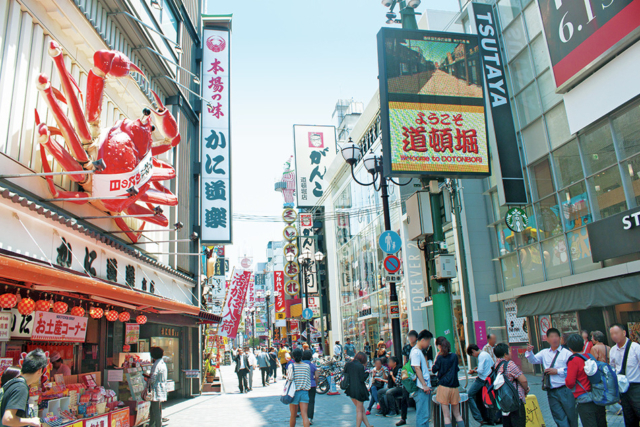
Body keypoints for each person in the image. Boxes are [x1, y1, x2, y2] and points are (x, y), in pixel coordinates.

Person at [525, 328, 577, 427]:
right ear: (547, 339)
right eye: (551, 337)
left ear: (560, 338)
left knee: (571, 415)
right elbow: (533, 360)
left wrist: (557, 371)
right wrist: (529, 352)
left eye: (556, 336)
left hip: (565, 389)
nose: (554, 339)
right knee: (558, 416)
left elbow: (572, 370)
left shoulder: (567, 353)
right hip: (551, 390)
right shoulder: (544, 353)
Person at [565, 333, 607, 427]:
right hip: (597, 396)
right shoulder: (589, 356)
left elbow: (570, 383)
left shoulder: (573, 360)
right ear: (583, 345)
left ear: (570, 348)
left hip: (584, 400)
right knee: (601, 423)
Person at [1, 349, 47, 427]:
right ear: (39, 370)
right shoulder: (21, 387)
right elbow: (7, 419)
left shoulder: (13, 382)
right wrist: (31, 421)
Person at [609, 323, 640, 426]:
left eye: (616, 333)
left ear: (624, 332)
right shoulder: (612, 350)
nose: (614, 336)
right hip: (622, 389)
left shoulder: (635, 347)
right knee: (629, 417)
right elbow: (612, 369)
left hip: (636, 387)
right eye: (612, 334)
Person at [494, 343, 529, 427]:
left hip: (505, 401)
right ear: (505, 354)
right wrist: (526, 389)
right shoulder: (509, 364)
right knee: (518, 423)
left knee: (507, 423)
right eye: (509, 351)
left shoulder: (496, 365)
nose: (511, 352)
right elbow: (523, 380)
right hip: (516, 400)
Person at [405, 329, 433, 427]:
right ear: (423, 340)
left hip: (423, 387)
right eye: (428, 342)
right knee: (423, 416)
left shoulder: (418, 351)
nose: (428, 344)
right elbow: (417, 368)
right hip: (421, 388)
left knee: (424, 416)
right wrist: (424, 385)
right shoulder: (416, 352)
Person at [432, 337, 462, 427]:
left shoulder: (440, 358)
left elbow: (434, 370)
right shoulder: (454, 356)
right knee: (457, 414)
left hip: (443, 386)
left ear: (439, 346)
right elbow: (456, 369)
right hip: (454, 387)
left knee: (446, 416)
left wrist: (436, 358)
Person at [466, 344, 494, 425]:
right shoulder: (486, 354)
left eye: (472, 355)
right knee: (480, 398)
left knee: (470, 395)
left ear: (473, 351)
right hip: (488, 379)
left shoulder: (481, 356)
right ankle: (485, 417)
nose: (473, 356)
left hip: (482, 379)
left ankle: (478, 418)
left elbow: (481, 370)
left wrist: (474, 371)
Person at [343, 352, 373, 427]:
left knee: (361, 409)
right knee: (359, 410)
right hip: (359, 390)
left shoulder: (348, 364)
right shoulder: (360, 366)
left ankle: (368, 425)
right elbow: (362, 379)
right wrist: (367, 372)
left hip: (350, 389)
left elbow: (345, 374)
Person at [288, 348, 311, 427]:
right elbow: (308, 378)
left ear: (293, 357)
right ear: (302, 356)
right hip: (304, 391)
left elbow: (290, 378)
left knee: (293, 415)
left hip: (294, 392)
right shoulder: (306, 366)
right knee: (304, 415)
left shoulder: (291, 366)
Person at [146, 347, 167, 427]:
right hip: (161, 389)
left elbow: (153, 378)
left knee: (155, 410)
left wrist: (147, 379)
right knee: (154, 409)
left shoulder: (156, 364)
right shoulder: (163, 363)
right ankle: (152, 424)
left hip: (156, 390)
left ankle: (158, 425)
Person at [302, 350, 319, 425]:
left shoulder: (301, 365)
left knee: (303, 402)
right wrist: (316, 383)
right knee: (311, 401)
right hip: (312, 385)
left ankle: (304, 417)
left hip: (303, 385)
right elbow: (317, 376)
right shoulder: (312, 365)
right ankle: (310, 418)